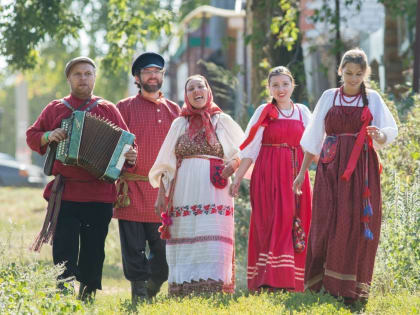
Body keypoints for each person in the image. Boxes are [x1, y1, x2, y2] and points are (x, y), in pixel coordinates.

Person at [26, 56, 137, 301]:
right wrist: (49, 135)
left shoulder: (107, 108)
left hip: (99, 195)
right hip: (66, 194)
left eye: (88, 73)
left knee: (94, 250)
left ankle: (86, 299)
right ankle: (63, 297)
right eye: (78, 74)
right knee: (64, 249)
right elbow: (32, 135)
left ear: (94, 78)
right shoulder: (56, 108)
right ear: (69, 79)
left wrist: (130, 155)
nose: (83, 78)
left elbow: (127, 146)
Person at [293, 48, 398, 303]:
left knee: (357, 222)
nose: (353, 78)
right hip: (330, 167)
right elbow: (313, 137)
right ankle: (324, 284)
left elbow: (389, 130)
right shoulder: (329, 97)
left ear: (365, 74)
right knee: (327, 219)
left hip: (362, 168)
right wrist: (301, 174)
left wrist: (378, 135)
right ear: (340, 71)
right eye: (348, 73)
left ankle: (353, 288)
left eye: (358, 74)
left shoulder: (372, 98)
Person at [149, 75, 244, 297]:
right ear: (186, 95)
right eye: (191, 88)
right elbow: (165, 162)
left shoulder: (222, 120)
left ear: (208, 91)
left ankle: (214, 287)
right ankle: (183, 287)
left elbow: (244, 151)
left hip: (215, 189)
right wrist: (161, 194)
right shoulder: (179, 123)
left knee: (211, 230)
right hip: (183, 190)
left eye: (200, 86)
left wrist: (233, 164)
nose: (196, 90)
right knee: (185, 230)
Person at [230, 66, 312, 292]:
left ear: (293, 85)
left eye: (285, 84)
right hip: (268, 173)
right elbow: (250, 149)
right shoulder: (264, 111)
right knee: (270, 221)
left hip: (295, 172)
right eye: (275, 85)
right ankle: (268, 279)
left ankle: (292, 279)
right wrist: (237, 178)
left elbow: (315, 145)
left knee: (293, 221)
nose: (281, 89)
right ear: (269, 88)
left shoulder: (303, 112)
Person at [113, 52, 181, 303]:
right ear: (137, 78)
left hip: (163, 193)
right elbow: (110, 145)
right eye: (147, 72)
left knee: (163, 253)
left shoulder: (175, 110)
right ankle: (139, 296)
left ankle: (153, 285)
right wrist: (123, 153)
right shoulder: (123, 108)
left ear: (162, 76)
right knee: (133, 249)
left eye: (157, 71)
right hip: (131, 190)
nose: (153, 76)